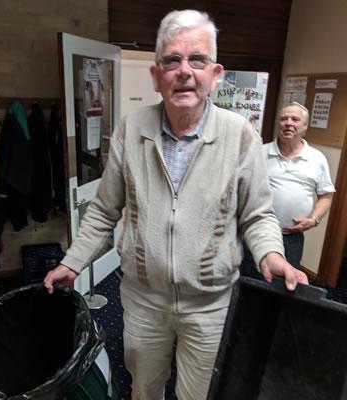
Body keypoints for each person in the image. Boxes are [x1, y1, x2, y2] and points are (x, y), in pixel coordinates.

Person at [44, 10, 308, 400]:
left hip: (209, 304)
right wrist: (73, 261)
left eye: (197, 59)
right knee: (145, 388)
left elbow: (256, 213)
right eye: (172, 60)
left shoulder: (240, 135)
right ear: (156, 76)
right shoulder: (131, 129)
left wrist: (270, 254)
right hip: (143, 300)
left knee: (197, 393)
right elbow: (103, 210)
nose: (184, 71)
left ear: (215, 74)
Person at [262, 102, 335, 268]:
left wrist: (314, 219)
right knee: (250, 283)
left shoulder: (317, 158)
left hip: (291, 237)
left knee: (286, 287)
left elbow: (326, 195)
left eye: (295, 119)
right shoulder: (260, 152)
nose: (288, 123)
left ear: (305, 127)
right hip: (258, 234)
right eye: (284, 119)